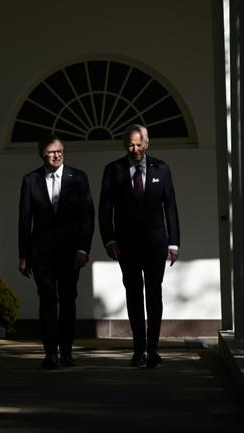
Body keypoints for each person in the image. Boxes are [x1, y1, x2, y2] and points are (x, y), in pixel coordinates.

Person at [98, 124, 180, 368]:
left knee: (154, 296)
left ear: (147, 143)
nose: (134, 149)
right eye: (130, 145)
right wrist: (109, 239)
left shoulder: (162, 169)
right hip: (126, 246)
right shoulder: (113, 170)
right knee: (133, 296)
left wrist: (174, 242)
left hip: (156, 245)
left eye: (138, 144)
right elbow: (105, 209)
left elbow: (171, 207)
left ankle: (153, 349)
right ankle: (138, 349)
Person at [18, 134, 95, 369]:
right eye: (52, 151)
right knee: (47, 301)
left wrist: (83, 249)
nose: (57, 155)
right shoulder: (31, 180)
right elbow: (24, 219)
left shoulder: (78, 178)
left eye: (60, 150)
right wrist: (24, 255)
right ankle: (50, 353)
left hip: (71, 253)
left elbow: (87, 217)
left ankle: (67, 352)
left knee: (68, 301)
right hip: (42, 253)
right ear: (42, 153)